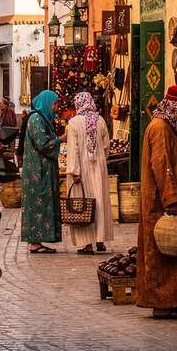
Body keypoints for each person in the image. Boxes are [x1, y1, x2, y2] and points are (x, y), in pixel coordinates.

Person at [137, 85, 177, 319]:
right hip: (161, 204)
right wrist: (171, 201)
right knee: (166, 251)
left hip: (168, 200)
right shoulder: (160, 128)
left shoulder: (167, 127)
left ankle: (173, 301)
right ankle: (164, 302)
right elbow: (162, 165)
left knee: (175, 253)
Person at [65, 91, 116, 254]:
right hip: (99, 168)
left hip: (81, 169)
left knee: (84, 203)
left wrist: (74, 170)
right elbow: (107, 145)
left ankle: (87, 244)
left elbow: (73, 148)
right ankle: (100, 241)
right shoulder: (100, 120)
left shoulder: (73, 123)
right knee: (99, 200)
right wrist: (100, 159)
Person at [21, 90, 62, 254]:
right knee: (38, 202)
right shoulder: (36, 119)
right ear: (46, 102)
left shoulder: (41, 118)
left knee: (41, 202)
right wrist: (61, 139)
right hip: (37, 171)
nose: (56, 107)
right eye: (54, 103)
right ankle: (34, 241)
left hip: (41, 169)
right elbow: (43, 144)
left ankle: (37, 240)